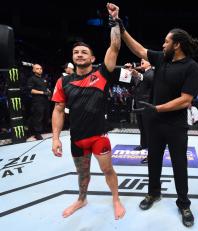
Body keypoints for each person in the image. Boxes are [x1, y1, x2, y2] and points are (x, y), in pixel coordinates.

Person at [108, 4, 198, 227]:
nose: (163, 44)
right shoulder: (162, 59)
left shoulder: (192, 67)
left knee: (180, 164)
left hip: (176, 124)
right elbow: (139, 49)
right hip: (156, 122)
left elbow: (186, 99)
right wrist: (119, 24)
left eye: (167, 42)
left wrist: (159, 108)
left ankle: (184, 203)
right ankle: (153, 193)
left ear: (177, 45)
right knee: (153, 161)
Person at [51, 3, 125, 219]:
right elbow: (58, 109)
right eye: (76, 52)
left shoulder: (102, 73)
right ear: (73, 58)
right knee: (82, 174)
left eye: (84, 52)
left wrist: (114, 20)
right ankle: (81, 199)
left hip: (98, 136)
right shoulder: (63, 82)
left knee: (107, 170)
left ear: (92, 58)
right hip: (77, 138)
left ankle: (116, 199)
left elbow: (115, 46)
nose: (79, 54)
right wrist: (55, 138)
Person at [125, 59, 154, 164]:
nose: (141, 60)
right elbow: (127, 81)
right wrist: (128, 71)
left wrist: (136, 73)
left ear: (150, 62)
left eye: (144, 59)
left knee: (149, 130)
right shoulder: (142, 73)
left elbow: (149, 79)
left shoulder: (152, 72)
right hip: (139, 104)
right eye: (141, 59)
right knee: (142, 127)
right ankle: (144, 144)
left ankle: (152, 155)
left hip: (147, 105)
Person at [27, 64, 51, 140]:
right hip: (37, 101)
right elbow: (31, 90)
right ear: (34, 70)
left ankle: (42, 130)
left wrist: (48, 92)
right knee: (38, 117)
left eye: (40, 68)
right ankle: (36, 133)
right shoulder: (31, 79)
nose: (40, 70)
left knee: (46, 116)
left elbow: (46, 88)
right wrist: (42, 93)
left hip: (45, 100)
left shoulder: (44, 79)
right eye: (37, 69)